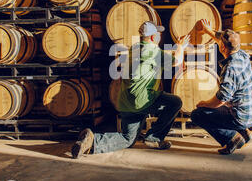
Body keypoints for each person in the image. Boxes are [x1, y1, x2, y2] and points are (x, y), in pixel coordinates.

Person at [71, 21, 191, 158]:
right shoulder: (153, 52)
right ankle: (154, 138)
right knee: (175, 102)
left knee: (128, 139)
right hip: (142, 101)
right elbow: (177, 60)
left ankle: (92, 141)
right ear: (152, 38)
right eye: (158, 34)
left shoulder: (134, 49)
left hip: (126, 103)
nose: (160, 36)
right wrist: (181, 46)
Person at [190, 19, 252, 155]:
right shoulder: (242, 54)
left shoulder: (230, 69)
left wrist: (205, 104)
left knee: (198, 114)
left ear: (222, 47)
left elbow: (221, 98)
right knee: (229, 104)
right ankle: (245, 131)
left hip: (240, 116)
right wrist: (207, 30)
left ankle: (232, 138)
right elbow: (221, 39)